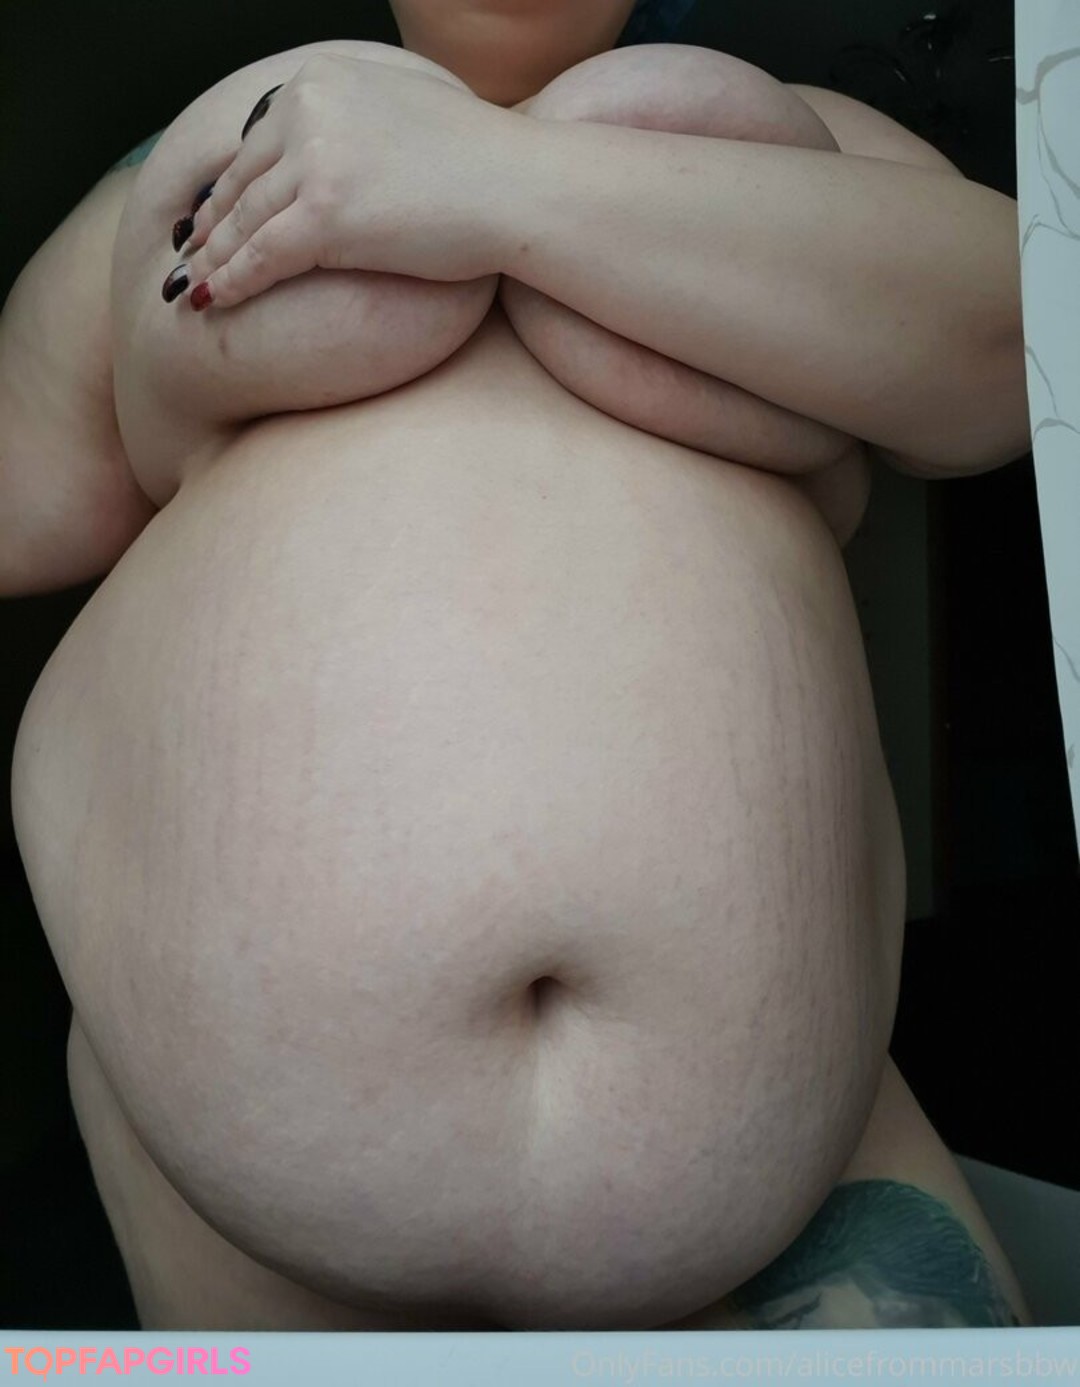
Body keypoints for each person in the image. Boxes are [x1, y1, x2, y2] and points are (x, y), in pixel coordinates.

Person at [1, 0, 1032, 1330]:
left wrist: (484, 183)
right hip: (222, 1164)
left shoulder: (827, 143)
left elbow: (1016, 370)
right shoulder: (177, 170)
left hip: (790, 1156)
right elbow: (22, 498)